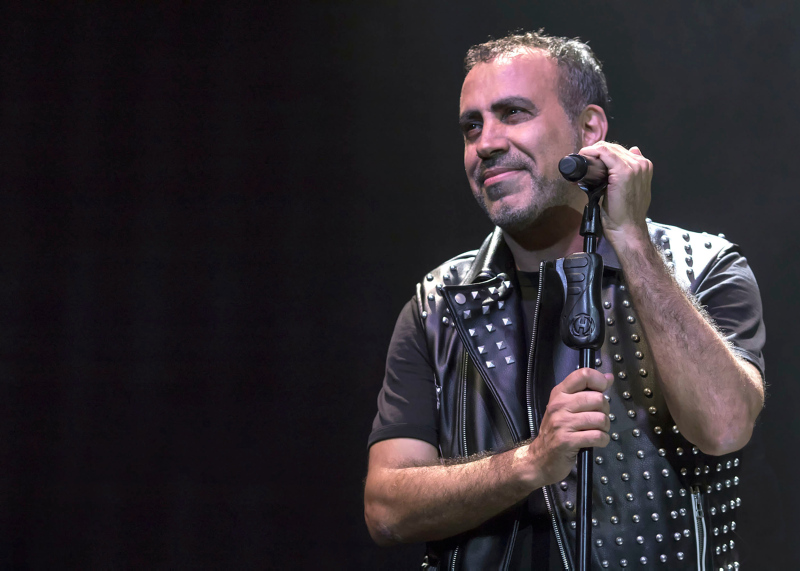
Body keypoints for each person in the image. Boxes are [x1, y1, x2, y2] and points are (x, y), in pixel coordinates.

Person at [364, 31, 765, 570]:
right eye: (472, 126)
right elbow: (386, 510)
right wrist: (530, 463)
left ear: (590, 129)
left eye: (513, 113)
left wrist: (631, 239)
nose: (486, 143)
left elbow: (724, 426)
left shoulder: (706, 267)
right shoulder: (437, 303)